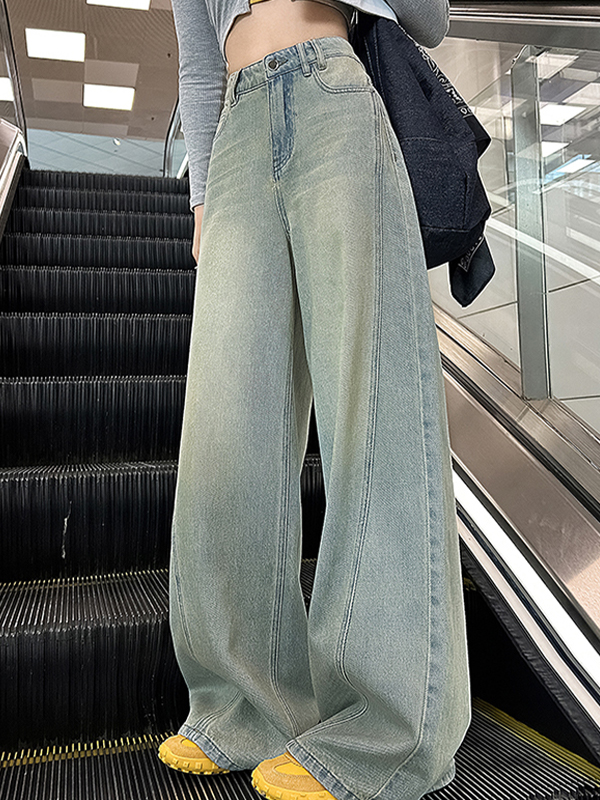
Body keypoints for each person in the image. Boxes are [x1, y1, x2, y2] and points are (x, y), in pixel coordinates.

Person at [159, 1, 471, 799]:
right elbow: (199, 61)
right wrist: (202, 197)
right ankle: (243, 705)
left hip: (336, 96)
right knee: (225, 426)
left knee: (375, 410)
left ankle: (390, 728)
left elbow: (430, 17)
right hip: (238, 131)